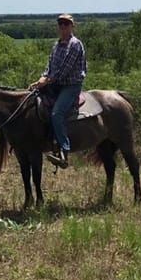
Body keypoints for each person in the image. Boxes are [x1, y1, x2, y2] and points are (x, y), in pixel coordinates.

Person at [28, 13, 86, 169]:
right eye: (60, 24)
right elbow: (50, 65)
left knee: (57, 113)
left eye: (66, 24)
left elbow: (65, 69)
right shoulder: (57, 45)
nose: (62, 27)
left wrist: (46, 80)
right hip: (55, 84)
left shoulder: (75, 44)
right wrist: (42, 77)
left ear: (72, 26)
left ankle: (64, 150)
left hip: (70, 85)